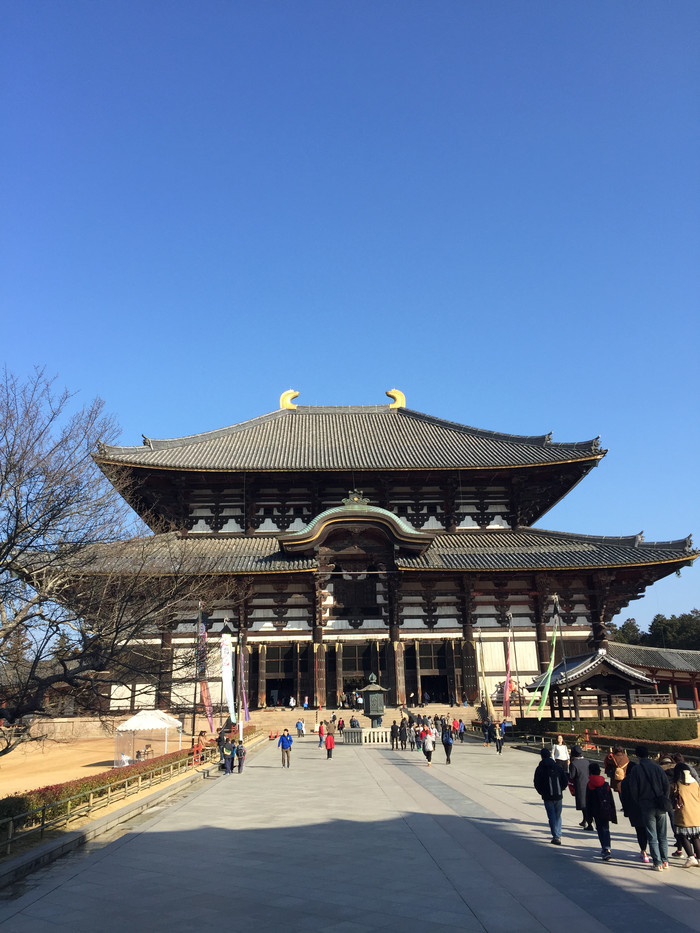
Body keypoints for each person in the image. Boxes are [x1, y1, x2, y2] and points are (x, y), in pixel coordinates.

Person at [624, 745, 671, 870]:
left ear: (637, 755)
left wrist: (639, 801)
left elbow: (633, 789)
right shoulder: (657, 767)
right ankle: (665, 860)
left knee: (652, 835)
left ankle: (657, 862)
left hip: (646, 805)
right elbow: (666, 785)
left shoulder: (636, 770)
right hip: (660, 804)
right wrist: (664, 798)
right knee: (662, 835)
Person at [533, 747, 569, 845]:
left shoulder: (540, 768)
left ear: (541, 756)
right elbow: (565, 780)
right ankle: (558, 834)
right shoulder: (557, 767)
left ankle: (556, 835)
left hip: (547, 796)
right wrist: (561, 789)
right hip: (558, 795)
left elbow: (536, 782)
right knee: (558, 816)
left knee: (551, 816)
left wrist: (541, 792)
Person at [670, 762, 700, 866]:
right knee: (695, 837)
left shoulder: (676, 784)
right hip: (696, 813)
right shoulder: (695, 783)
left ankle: (691, 857)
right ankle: (699, 858)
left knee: (682, 836)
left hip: (683, 814)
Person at [585, 762, 617, 861]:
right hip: (606, 809)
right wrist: (613, 812)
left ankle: (604, 848)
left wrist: (588, 816)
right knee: (606, 829)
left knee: (600, 829)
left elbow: (588, 801)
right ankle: (607, 849)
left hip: (596, 811)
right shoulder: (605, 784)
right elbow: (610, 799)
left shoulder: (590, 784)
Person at [569, 746, 593, 830]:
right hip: (588, 784)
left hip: (580, 785)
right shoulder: (586, 761)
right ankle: (584, 820)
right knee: (587, 804)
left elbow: (572, 775)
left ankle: (589, 823)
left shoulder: (574, 763)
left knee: (583, 805)